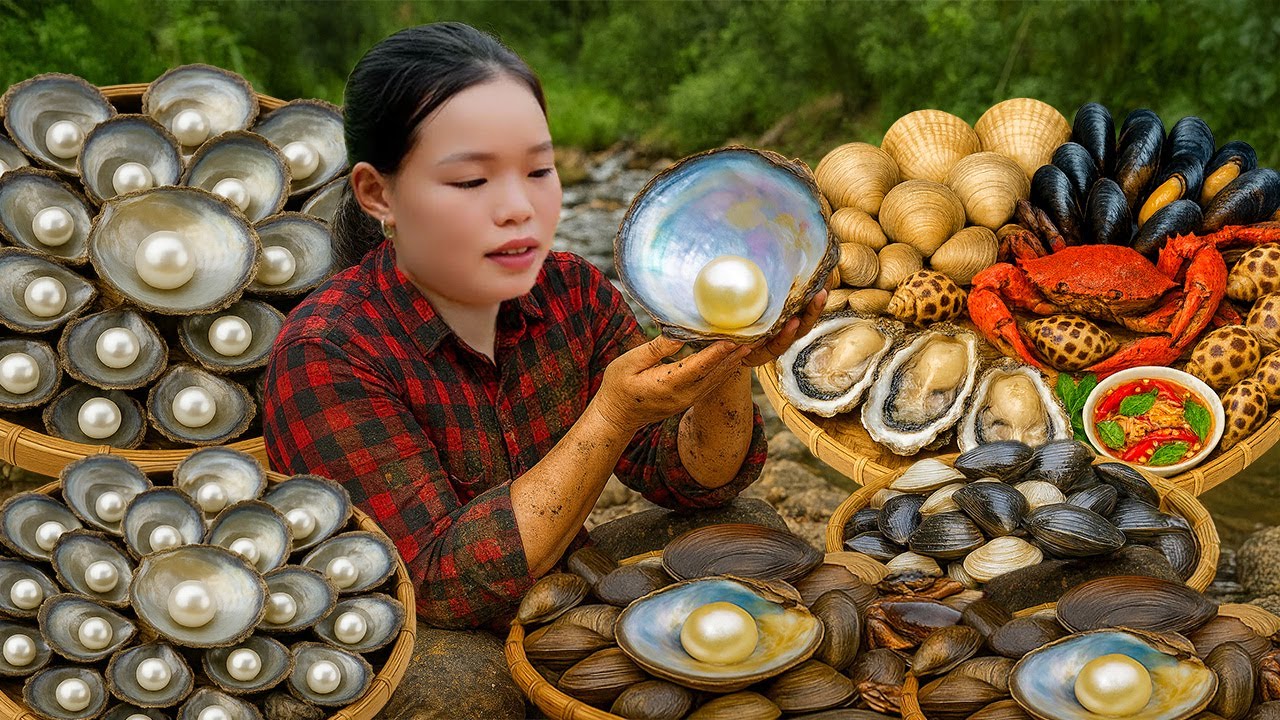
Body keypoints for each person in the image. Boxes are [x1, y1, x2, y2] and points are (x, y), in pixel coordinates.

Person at [260, 22, 825, 718]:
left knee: (746, 528)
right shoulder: (326, 350)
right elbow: (438, 587)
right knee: (464, 694)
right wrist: (610, 417)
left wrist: (729, 352)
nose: (518, 208)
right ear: (379, 194)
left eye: (536, 171)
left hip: (554, 582)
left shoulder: (569, 290)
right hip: (404, 628)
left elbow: (688, 478)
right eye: (471, 179)